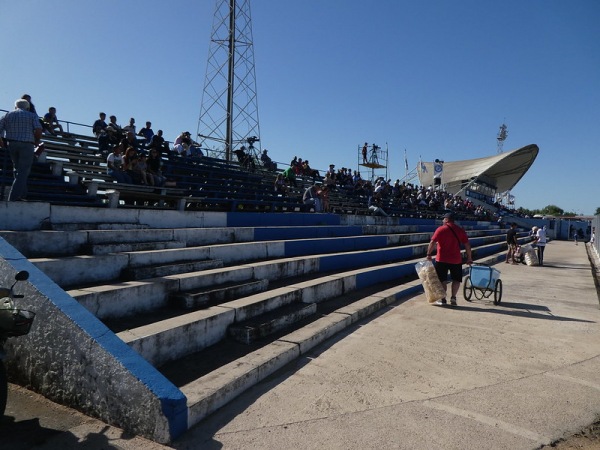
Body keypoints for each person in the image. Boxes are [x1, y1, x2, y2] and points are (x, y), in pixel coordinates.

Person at [426, 212, 473, 306]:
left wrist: (429, 254)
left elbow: (432, 242)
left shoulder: (440, 229)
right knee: (456, 279)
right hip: (456, 260)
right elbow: (467, 245)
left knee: (442, 280)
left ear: (446, 220)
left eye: (443, 219)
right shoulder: (460, 230)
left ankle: (443, 299)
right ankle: (453, 298)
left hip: (441, 259)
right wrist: (469, 258)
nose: (442, 220)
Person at [0, 98, 43, 201]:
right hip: (27, 144)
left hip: (12, 143)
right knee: (23, 171)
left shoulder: (7, 115)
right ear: (27, 107)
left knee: (17, 169)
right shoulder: (31, 115)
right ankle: (14, 197)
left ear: (15, 106)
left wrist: (1, 143)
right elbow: (38, 129)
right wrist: (37, 140)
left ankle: (22, 194)